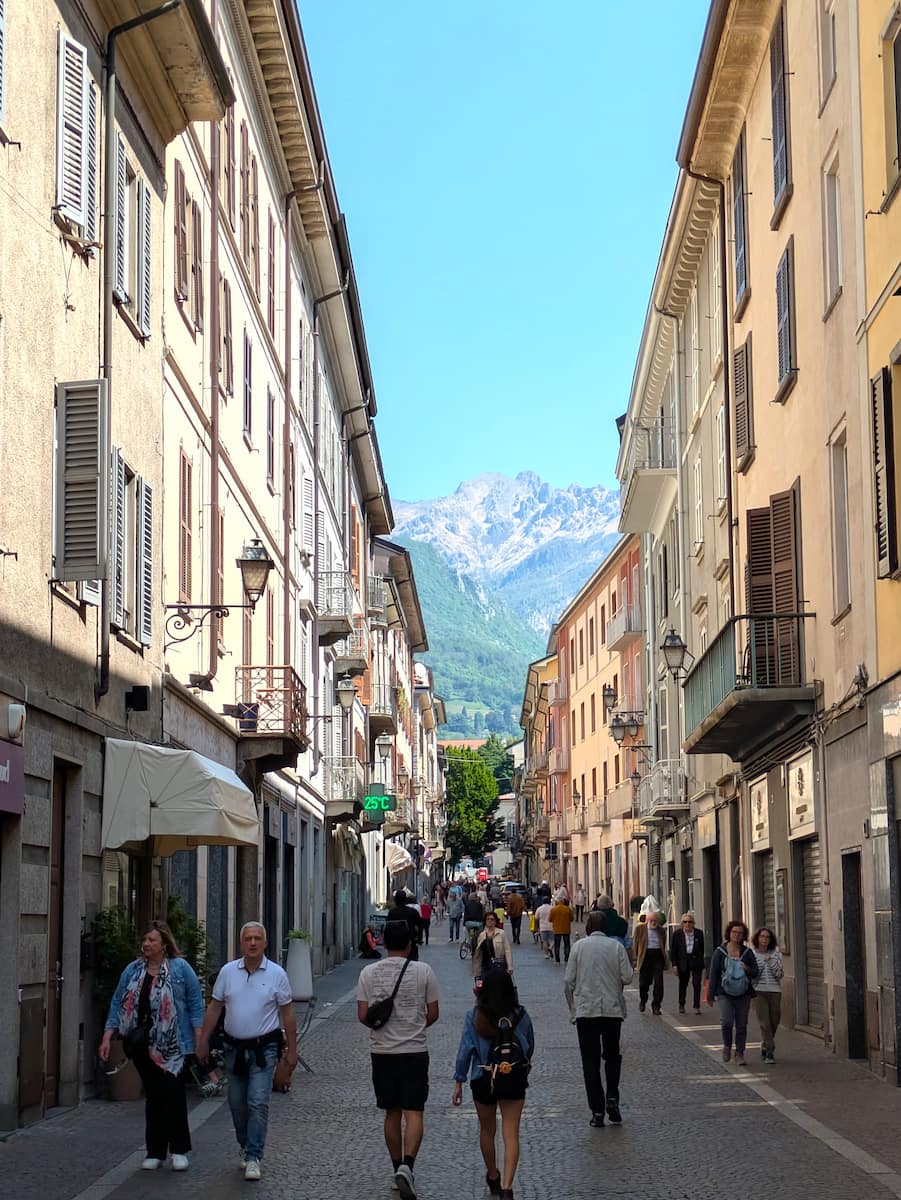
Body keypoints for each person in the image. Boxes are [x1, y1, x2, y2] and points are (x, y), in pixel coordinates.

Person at [196, 922, 297, 1182]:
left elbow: (287, 1013)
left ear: (265, 943)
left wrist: (292, 1051)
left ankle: (254, 1156)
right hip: (233, 1049)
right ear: (241, 943)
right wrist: (203, 1040)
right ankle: (245, 1144)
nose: (252, 943)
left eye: (257, 938)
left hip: (265, 1049)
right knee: (237, 1103)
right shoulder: (228, 972)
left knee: (258, 1101)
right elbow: (214, 1008)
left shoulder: (277, 974)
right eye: (248, 939)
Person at [100, 921, 204, 1172]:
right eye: (144, 939)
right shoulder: (133, 970)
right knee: (154, 1096)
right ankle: (155, 1151)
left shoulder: (180, 968)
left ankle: (179, 1150)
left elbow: (195, 1002)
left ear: (164, 944)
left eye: (151, 940)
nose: (146, 944)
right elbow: (117, 1002)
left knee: (174, 1095)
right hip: (142, 1045)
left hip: (174, 1045)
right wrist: (107, 1036)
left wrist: (199, 1037)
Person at [357, 920, 440, 1200]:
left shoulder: (368, 973)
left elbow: (363, 1015)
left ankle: (396, 1168)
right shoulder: (423, 971)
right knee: (414, 1112)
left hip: (382, 1052)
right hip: (414, 1051)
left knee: (391, 1112)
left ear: (383, 943)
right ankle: (408, 1166)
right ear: (409, 944)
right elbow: (433, 1013)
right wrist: (414, 1027)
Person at [453, 967, 535, 1200]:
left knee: (487, 1131)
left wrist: (459, 1080)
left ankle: (492, 1175)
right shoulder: (521, 1016)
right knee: (511, 1133)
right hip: (512, 1076)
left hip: (483, 1077)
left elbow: (464, 1051)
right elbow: (529, 1046)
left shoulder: (474, 1016)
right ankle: (507, 1188)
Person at [564, 910, 634, 1127]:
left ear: (588, 927)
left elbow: (568, 981)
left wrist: (573, 1009)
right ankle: (612, 1098)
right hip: (612, 1010)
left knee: (590, 1061)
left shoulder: (578, 947)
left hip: (586, 1011)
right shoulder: (616, 947)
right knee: (612, 1056)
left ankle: (597, 1111)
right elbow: (628, 977)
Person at [708, 920, 760, 1066]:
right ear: (729, 933)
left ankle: (740, 1053)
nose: (737, 935)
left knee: (742, 1024)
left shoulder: (747, 953)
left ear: (744, 935)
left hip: (743, 993)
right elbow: (713, 973)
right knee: (727, 1021)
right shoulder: (720, 952)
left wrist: (747, 969)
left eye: (740, 933)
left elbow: (756, 972)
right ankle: (727, 1045)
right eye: (734, 932)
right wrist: (710, 994)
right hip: (724, 992)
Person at [751, 927, 784, 1064]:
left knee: (774, 1021)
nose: (764, 939)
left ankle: (765, 1043)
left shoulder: (777, 954)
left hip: (775, 991)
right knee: (764, 1023)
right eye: (762, 936)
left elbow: (779, 974)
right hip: (759, 991)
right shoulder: (752, 954)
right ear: (757, 938)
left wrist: (770, 961)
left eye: (767, 937)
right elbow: (751, 975)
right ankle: (770, 1051)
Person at [669, 912, 706, 1014]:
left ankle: (696, 1006)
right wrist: (674, 965)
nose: (687, 924)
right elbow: (673, 951)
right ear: (682, 924)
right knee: (683, 984)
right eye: (685, 922)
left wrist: (701, 961)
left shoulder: (699, 933)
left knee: (697, 983)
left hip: (696, 961)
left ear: (693, 923)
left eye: (690, 922)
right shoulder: (677, 934)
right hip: (683, 961)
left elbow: (702, 948)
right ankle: (681, 1004)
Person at [633, 910, 668, 1013]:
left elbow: (663, 943)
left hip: (657, 956)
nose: (654, 923)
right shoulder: (640, 929)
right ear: (647, 920)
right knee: (644, 983)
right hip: (645, 956)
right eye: (651, 920)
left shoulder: (661, 930)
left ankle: (656, 1006)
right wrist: (636, 959)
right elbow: (635, 944)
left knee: (659, 982)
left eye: (655, 921)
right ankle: (643, 1000)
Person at [473, 911, 514, 980]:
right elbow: (479, 953)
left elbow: (507, 950)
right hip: (485, 966)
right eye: (488, 919)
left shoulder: (501, 933)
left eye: (492, 919)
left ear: (495, 921)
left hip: (499, 965)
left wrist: (510, 966)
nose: (490, 921)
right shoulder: (481, 935)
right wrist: (477, 970)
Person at [387, 890, 425, 961]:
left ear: (395, 900)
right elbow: (420, 924)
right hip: (410, 942)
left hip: (395, 943)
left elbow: (388, 927)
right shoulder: (412, 911)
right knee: (412, 963)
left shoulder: (392, 912)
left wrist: (388, 942)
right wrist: (419, 938)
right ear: (405, 900)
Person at [550, 895, 575, 964]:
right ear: (563, 902)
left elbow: (550, 919)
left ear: (557, 902)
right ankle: (566, 959)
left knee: (557, 946)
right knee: (567, 945)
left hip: (557, 929)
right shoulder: (567, 909)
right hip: (566, 929)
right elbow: (572, 919)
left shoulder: (553, 909)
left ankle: (557, 960)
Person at [534, 896, 554, 960]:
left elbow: (536, 918)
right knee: (553, 940)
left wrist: (537, 928)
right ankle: (550, 947)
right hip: (551, 926)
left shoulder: (539, 908)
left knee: (544, 941)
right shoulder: (552, 908)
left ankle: (546, 954)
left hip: (542, 927)